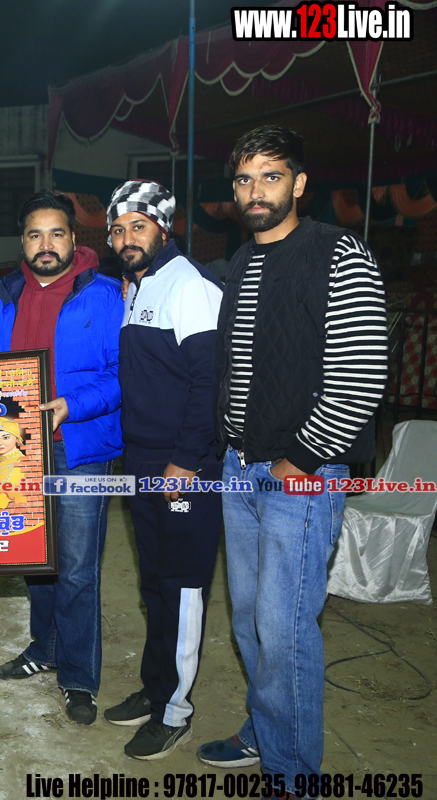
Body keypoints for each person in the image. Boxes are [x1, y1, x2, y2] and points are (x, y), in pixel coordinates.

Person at [197, 126, 387, 784]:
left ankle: (292, 774)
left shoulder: (338, 253)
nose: (256, 192)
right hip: (239, 469)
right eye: (244, 180)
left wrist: (298, 460)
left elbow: (360, 375)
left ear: (299, 184)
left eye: (271, 177)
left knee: (284, 630)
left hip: (301, 475)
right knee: (251, 623)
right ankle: (265, 730)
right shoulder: (239, 263)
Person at [0, 191, 123, 724]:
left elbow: (124, 374)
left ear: (73, 238)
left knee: (78, 568)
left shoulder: (106, 295)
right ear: (23, 241)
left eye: (56, 233)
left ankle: (79, 678)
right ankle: (44, 648)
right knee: (35, 558)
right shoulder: (4, 296)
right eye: (35, 234)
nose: (46, 244)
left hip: (80, 448)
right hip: (19, 452)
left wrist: (72, 405)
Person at [100, 180, 224, 760]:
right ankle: (156, 690)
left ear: (163, 228)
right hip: (143, 459)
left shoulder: (189, 284)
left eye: (138, 226)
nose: (126, 238)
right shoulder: (139, 286)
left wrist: (187, 459)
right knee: (154, 584)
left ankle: (176, 711)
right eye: (117, 229)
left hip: (183, 465)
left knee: (182, 587)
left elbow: (210, 381)